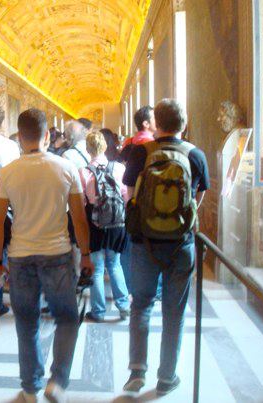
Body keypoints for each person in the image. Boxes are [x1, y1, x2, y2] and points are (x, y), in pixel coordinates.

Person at [0, 108, 93, 403]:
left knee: (27, 323)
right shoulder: (65, 168)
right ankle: (57, 381)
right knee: (67, 319)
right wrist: (85, 254)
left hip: (21, 257)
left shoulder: (7, 172)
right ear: (47, 136)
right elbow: (79, 219)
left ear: (20, 137)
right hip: (57, 255)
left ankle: (30, 386)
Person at [122, 99, 209, 396]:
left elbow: (130, 196)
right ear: (184, 123)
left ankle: (136, 371)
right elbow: (198, 197)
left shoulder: (140, 152)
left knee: (141, 306)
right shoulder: (195, 155)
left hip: (143, 242)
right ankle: (167, 376)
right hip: (180, 244)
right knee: (175, 312)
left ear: (156, 123)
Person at [80, 131, 129, 322]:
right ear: (105, 147)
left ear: (88, 149)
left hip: (95, 224)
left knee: (97, 268)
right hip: (117, 222)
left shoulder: (83, 171)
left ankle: (98, 312)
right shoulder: (118, 168)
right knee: (115, 264)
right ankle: (124, 306)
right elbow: (125, 195)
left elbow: (83, 201)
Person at [119, 105, 157, 294]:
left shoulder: (128, 143)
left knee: (130, 247)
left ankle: (130, 284)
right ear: (146, 123)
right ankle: (152, 289)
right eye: (154, 117)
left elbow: (126, 179)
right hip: (150, 206)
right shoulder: (149, 146)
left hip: (130, 204)